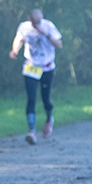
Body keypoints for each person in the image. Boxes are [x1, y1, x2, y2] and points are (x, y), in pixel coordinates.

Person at [9, 9, 63, 144]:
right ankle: (31, 131)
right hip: (31, 67)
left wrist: (46, 34)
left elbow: (59, 45)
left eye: (39, 22)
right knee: (31, 98)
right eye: (35, 22)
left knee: (46, 98)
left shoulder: (48, 26)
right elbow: (19, 39)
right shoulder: (24, 27)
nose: (37, 24)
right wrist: (15, 50)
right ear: (30, 19)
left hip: (47, 67)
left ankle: (49, 118)